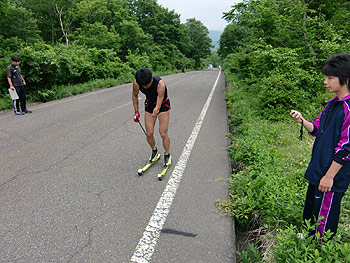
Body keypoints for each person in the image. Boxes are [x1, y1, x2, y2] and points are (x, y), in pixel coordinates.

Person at [290, 53, 350, 241]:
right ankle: (308, 239)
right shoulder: (332, 104)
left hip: (331, 176)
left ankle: (319, 248)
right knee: (311, 210)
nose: (325, 81)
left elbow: (346, 148)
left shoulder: (348, 109)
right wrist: (302, 120)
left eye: (330, 77)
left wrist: (329, 176)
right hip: (319, 169)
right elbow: (317, 128)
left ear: (346, 79)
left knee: (324, 218)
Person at [132, 68, 172, 168]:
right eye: (143, 85)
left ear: (151, 79)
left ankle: (167, 154)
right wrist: (136, 111)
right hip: (150, 104)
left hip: (162, 104)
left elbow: (159, 99)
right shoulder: (137, 83)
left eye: (147, 84)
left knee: (163, 133)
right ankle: (154, 151)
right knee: (149, 133)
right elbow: (134, 95)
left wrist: (156, 109)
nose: (145, 87)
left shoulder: (160, 84)